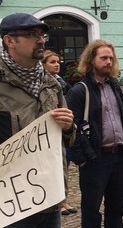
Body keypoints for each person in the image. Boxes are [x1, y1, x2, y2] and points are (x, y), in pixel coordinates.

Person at [0, 13, 75, 227]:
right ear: (9, 41)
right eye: (32, 34)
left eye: (42, 35)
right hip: (8, 204)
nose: (41, 40)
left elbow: (65, 140)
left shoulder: (51, 83)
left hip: (49, 195)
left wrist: (67, 128)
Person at [67, 40, 123, 228]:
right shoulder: (80, 91)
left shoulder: (115, 87)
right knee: (91, 210)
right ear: (91, 60)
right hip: (95, 159)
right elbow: (72, 127)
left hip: (119, 157)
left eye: (111, 58)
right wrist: (82, 159)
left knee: (116, 208)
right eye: (103, 58)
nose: (108, 62)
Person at [42, 50, 76, 216]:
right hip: (52, 127)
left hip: (64, 126)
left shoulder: (60, 81)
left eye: (58, 61)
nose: (57, 64)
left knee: (63, 167)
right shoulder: (43, 82)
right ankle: (57, 202)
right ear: (43, 64)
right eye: (52, 62)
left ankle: (63, 200)